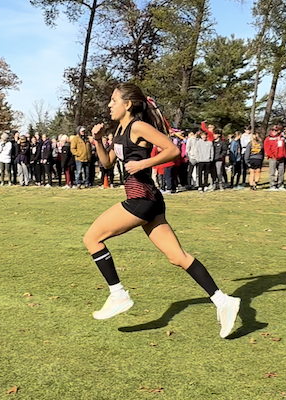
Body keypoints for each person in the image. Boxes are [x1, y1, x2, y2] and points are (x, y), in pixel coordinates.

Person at [84, 83, 240, 338]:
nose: (109, 105)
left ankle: (118, 294)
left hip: (141, 199)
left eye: (113, 100)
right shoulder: (121, 129)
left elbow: (172, 150)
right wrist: (98, 140)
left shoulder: (137, 126)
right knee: (177, 257)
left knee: (91, 238)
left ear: (128, 104)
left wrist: (144, 162)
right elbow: (106, 162)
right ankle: (224, 301)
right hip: (149, 199)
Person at [264, 125, 286, 191]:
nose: (274, 131)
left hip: (281, 158)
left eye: (276, 130)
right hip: (273, 158)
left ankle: (280, 185)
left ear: (279, 131)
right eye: (273, 130)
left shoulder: (282, 138)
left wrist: (283, 155)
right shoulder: (268, 138)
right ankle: (272, 185)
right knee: (272, 173)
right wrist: (271, 155)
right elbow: (267, 148)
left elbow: (284, 147)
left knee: (281, 172)